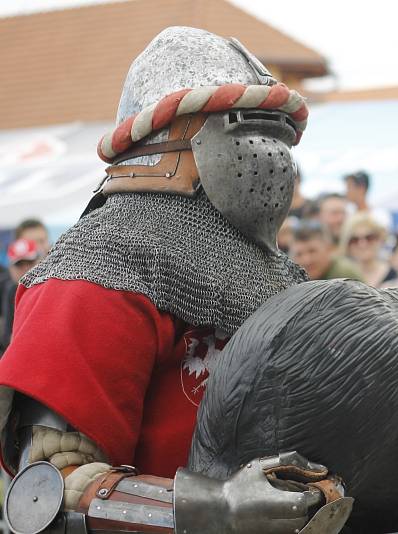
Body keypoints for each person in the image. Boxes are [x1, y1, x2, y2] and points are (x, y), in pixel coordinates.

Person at [0, 27, 349, 534]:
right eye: (251, 127)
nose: (271, 157)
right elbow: (50, 491)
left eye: (279, 134)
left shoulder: (278, 278)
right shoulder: (94, 277)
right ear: (173, 140)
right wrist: (220, 507)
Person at [1, 239, 44, 353]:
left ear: (40, 261)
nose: (26, 269)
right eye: (19, 264)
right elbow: (6, 336)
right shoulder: (10, 290)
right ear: (11, 268)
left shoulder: (48, 287)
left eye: (30, 262)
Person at [291, 222, 364, 282]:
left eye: (312, 251)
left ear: (329, 249)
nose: (306, 260)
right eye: (299, 254)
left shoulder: (344, 276)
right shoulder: (292, 276)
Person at [339, 212, 392, 287]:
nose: (362, 244)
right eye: (355, 240)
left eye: (369, 238)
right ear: (347, 244)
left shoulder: (397, 273)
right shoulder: (341, 277)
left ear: (380, 239)